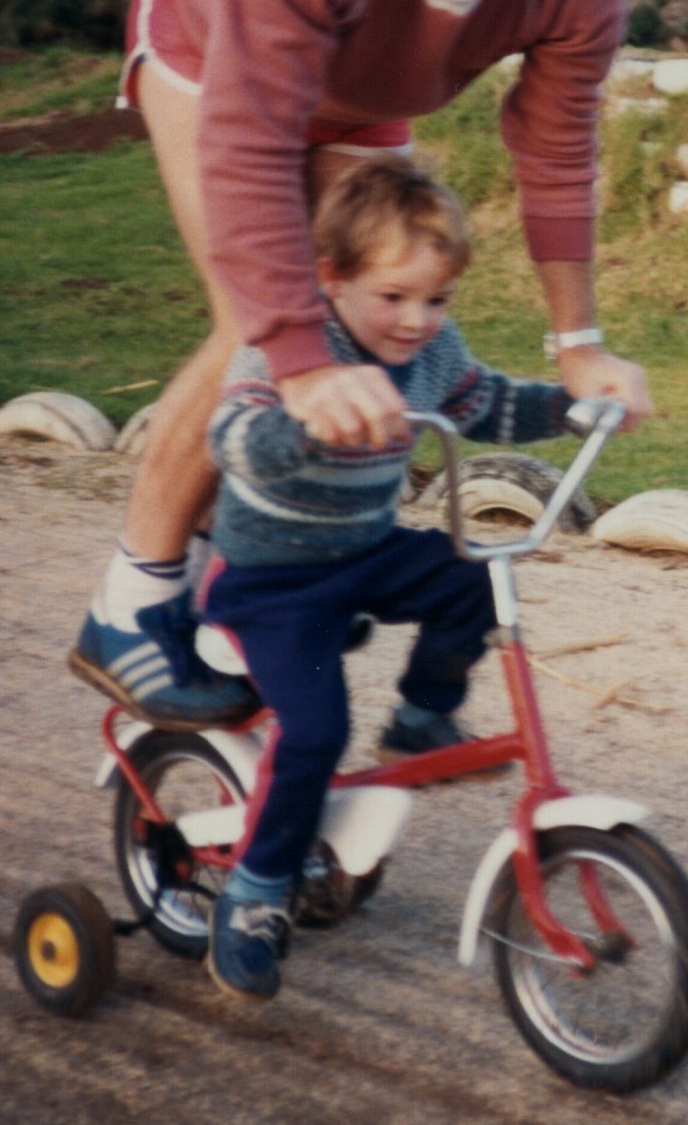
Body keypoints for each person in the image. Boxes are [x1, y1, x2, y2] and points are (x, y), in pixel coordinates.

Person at [68, 0, 650, 729]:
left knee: (368, 309)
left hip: (365, 91)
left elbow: (557, 149)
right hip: (216, 47)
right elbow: (252, 136)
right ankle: (132, 602)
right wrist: (296, 362)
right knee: (262, 322)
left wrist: (580, 345)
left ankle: (238, 575)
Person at [198, 156, 572, 1001]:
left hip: (362, 553)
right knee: (315, 731)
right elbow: (230, 437)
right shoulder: (292, 350)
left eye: (437, 299)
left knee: (473, 575)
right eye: (394, 296)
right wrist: (306, 419)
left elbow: (487, 402)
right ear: (331, 277)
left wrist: (570, 405)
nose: (417, 321)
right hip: (274, 584)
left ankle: (419, 719)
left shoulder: (432, 353)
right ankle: (255, 891)